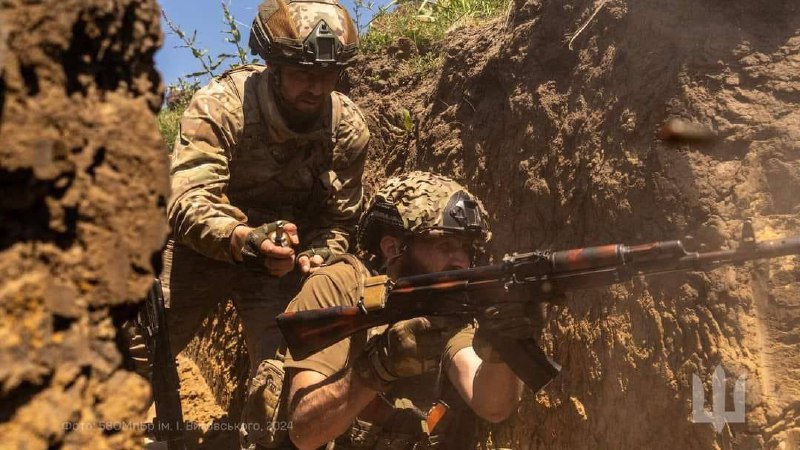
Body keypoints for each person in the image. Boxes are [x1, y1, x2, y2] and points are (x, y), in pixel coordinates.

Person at [129, 0, 369, 404]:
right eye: (303, 74)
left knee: (287, 378)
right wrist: (243, 238)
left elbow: (339, 220)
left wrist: (318, 255)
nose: (316, 88)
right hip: (199, 249)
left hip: (278, 265)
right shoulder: (222, 105)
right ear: (273, 67)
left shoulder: (347, 129)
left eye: (328, 74)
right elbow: (186, 199)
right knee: (134, 359)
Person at [245, 172, 552, 450]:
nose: (462, 261)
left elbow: (492, 406)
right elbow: (304, 432)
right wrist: (379, 366)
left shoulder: (450, 305)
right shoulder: (338, 286)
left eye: (466, 249)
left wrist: (503, 344)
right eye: (446, 246)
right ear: (393, 247)